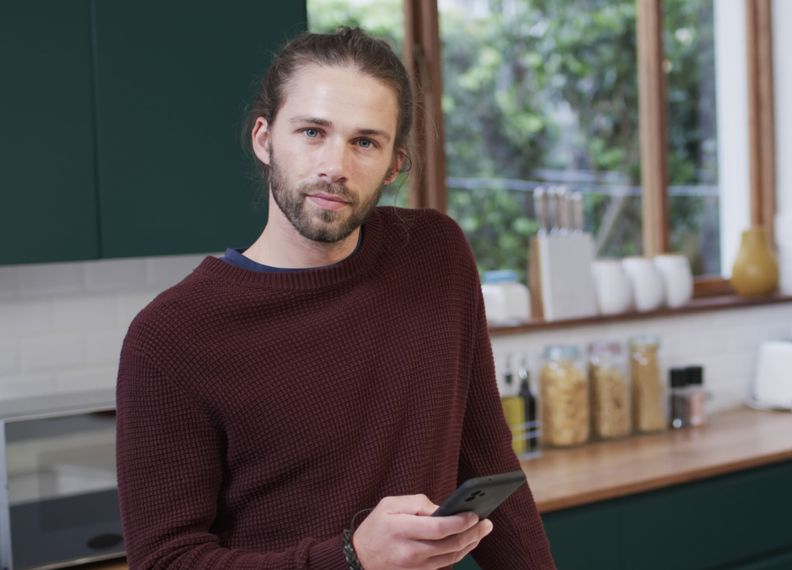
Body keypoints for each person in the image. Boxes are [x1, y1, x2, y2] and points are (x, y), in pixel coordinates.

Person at [115, 27, 556, 569]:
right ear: (264, 138)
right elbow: (165, 562)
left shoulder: (436, 256)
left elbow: (485, 455)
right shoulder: (173, 334)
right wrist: (351, 558)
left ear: (395, 163)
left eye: (364, 141)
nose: (335, 166)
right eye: (311, 132)